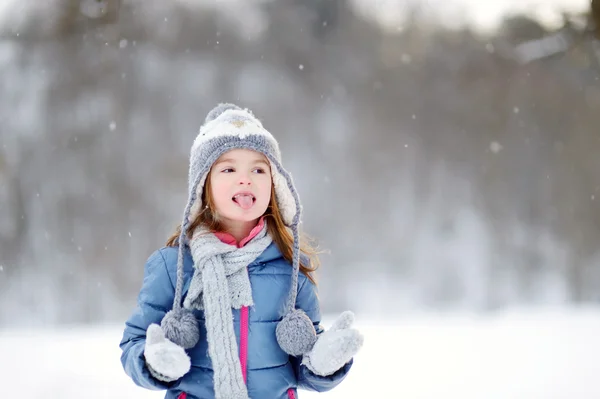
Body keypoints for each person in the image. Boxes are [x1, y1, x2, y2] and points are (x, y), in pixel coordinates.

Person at [119, 103, 363, 399]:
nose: (245, 178)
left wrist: (324, 363)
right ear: (203, 185)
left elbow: (303, 362)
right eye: (229, 168)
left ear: (274, 185)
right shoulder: (174, 266)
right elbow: (134, 342)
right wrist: (153, 361)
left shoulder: (289, 267)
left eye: (259, 169)